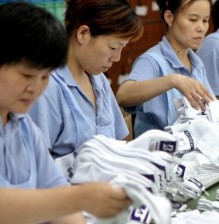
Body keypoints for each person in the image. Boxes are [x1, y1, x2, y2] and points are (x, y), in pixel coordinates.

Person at [0, 2, 130, 223]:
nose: (36, 89)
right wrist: (82, 197)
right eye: (27, 76)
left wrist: (76, 206)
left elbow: (55, 189)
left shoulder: (22, 125)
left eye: (45, 77)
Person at [29, 0, 143, 158]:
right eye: (113, 48)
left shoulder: (99, 80)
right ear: (83, 34)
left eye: (122, 48)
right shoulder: (47, 87)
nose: (117, 58)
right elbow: (37, 165)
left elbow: (120, 140)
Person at [116, 0, 215, 137]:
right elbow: (123, 96)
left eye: (205, 20)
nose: (201, 28)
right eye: (193, 19)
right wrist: (173, 80)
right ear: (169, 17)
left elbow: (211, 106)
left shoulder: (196, 62)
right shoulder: (151, 61)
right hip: (159, 154)